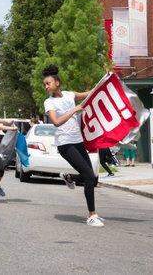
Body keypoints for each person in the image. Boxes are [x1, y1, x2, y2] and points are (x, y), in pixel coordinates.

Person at [42, 65, 103, 227]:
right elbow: (56, 122)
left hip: (78, 141)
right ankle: (92, 215)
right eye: (45, 84)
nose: (46, 86)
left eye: (48, 83)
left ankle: (69, 177)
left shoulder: (69, 95)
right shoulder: (49, 102)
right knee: (90, 176)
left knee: (91, 176)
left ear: (57, 82)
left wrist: (105, 81)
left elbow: (90, 94)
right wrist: (75, 110)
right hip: (65, 144)